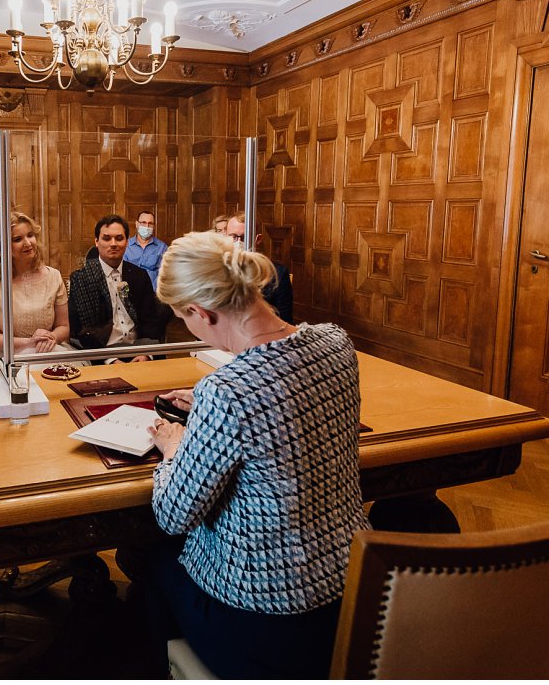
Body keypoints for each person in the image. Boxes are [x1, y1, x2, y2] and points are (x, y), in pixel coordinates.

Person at [136, 230, 369, 678]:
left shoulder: (227, 391)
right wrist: (206, 410)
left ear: (200, 312)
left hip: (266, 621)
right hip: (352, 596)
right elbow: (287, 407)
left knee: (154, 561)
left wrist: (174, 444)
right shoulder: (337, 343)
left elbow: (173, 513)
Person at [68, 214, 166, 362]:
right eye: (106, 238)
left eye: (119, 238)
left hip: (138, 350)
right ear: (96, 241)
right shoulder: (82, 278)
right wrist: (110, 359)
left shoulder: (139, 275)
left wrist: (145, 354)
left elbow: (150, 320)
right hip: (102, 354)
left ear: (127, 242)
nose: (113, 243)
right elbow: (81, 330)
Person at [0, 212, 76, 357]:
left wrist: (51, 337)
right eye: (18, 239)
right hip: (8, 356)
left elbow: (64, 327)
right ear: (4, 246)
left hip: (48, 352)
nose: (28, 243)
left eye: (30, 235)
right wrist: (30, 343)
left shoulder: (54, 276)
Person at [224, 212, 293, 322]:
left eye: (244, 237)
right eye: (233, 236)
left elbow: (284, 318)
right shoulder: (217, 268)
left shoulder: (277, 273)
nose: (238, 242)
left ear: (258, 239)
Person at [123, 210, 167, 290]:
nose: (147, 226)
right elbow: (121, 272)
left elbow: (165, 274)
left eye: (150, 223)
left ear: (154, 226)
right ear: (137, 224)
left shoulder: (162, 247)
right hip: (131, 293)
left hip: (154, 294)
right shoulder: (126, 246)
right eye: (143, 222)